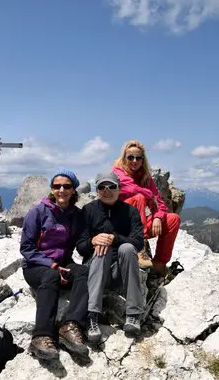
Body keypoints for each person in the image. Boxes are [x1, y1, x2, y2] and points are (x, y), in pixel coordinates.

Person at [20, 169, 89, 360]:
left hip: (63, 263)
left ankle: (70, 326)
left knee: (82, 272)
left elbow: (83, 240)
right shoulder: (38, 212)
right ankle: (41, 336)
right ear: (51, 189)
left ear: (74, 190)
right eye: (56, 186)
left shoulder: (76, 215)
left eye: (66, 186)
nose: (61, 190)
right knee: (50, 276)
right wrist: (50, 264)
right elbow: (26, 248)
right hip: (35, 266)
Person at [76, 172, 145, 340]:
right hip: (95, 269)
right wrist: (93, 241)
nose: (107, 190)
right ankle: (92, 316)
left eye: (111, 186)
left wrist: (116, 239)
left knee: (128, 248)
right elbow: (80, 248)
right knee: (102, 248)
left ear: (119, 188)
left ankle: (133, 315)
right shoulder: (88, 211)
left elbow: (138, 243)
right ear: (97, 190)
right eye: (102, 187)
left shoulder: (130, 211)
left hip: (120, 272)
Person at [112, 139, 181, 276]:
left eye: (138, 157)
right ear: (124, 158)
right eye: (130, 157)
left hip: (138, 225)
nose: (134, 161)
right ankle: (139, 249)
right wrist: (148, 194)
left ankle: (159, 263)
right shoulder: (117, 173)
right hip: (120, 225)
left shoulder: (146, 178)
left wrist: (157, 217)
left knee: (173, 219)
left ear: (143, 160)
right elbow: (130, 189)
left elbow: (160, 203)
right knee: (139, 198)